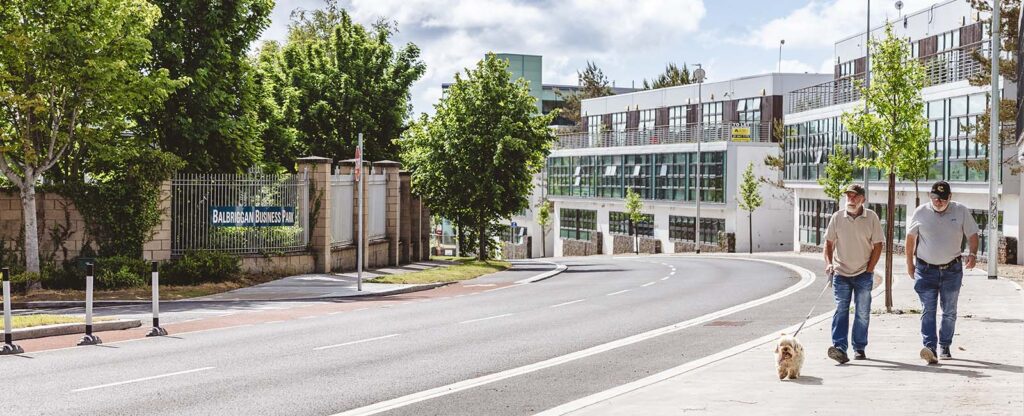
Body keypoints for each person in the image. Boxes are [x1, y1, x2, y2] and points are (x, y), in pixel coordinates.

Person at [905, 181, 979, 364]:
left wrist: (973, 254)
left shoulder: (960, 211)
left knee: (949, 311)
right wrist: (909, 264)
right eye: (935, 198)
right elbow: (910, 238)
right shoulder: (920, 212)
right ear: (930, 196)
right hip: (925, 269)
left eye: (942, 199)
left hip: (952, 270)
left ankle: (945, 344)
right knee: (928, 310)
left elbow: (972, 234)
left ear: (950, 198)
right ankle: (930, 347)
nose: (938, 202)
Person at [823, 184, 884, 363]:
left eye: (855, 196)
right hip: (841, 273)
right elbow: (828, 243)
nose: (851, 199)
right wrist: (829, 264)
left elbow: (879, 245)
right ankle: (840, 348)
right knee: (841, 309)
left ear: (863, 199)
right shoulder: (837, 217)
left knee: (862, 311)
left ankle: (859, 347)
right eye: (848, 196)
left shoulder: (871, 217)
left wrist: (870, 269)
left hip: (863, 273)